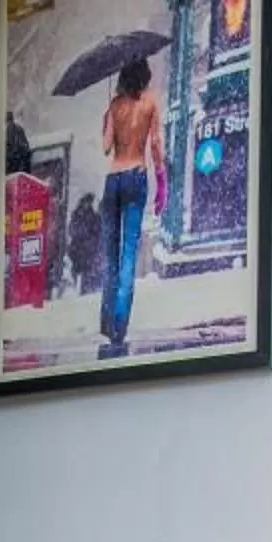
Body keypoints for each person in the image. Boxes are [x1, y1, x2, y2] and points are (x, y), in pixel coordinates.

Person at [97, 57, 164, 355]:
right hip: (136, 176)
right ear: (145, 76)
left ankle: (106, 320)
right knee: (127, 256)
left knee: (110, 256)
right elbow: (155, 144)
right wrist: (161, 180)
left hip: (112, 180)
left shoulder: (115, 106)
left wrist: (108, 120)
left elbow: (105, 147)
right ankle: (119, 326)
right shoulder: (150, 102)